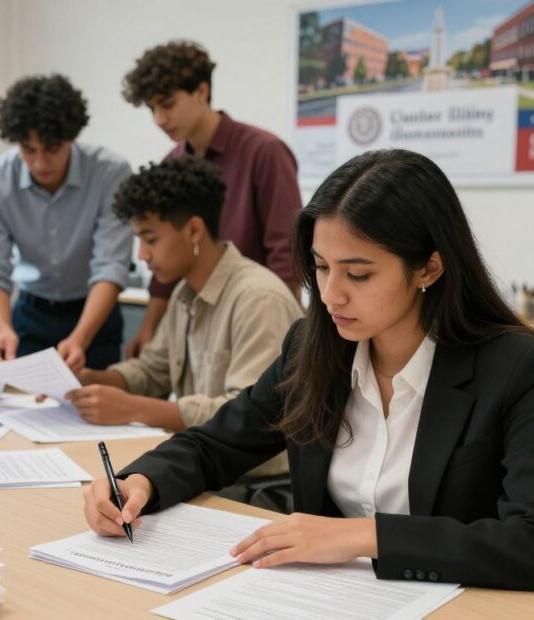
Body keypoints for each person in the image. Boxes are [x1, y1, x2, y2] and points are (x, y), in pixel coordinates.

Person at [83, 149, 534, 590]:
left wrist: (364, 536)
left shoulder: (514, 366)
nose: (331, 294)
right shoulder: (312, 347)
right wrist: (139, 481)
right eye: (320, 267)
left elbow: (525, 540)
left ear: (428, 269)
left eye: (358, 275)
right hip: (326, 597)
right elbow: (216, 444)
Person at [67, 157, 300, 447]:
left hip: (251, 474)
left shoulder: (259, 300)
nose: (141, 255)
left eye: (150, 239)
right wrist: (88, 380)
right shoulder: (182, 293)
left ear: (194, 230)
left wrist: (133, 408)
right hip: (203, 458)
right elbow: (152, 371)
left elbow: (249, 417)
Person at [122, 40, 302, 358]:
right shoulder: (172, 163)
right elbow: (166, 259)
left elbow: (286, 251)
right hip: (200, 323)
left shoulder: (264, 151)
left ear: (201, 91)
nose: (160, 119)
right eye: (152, 109)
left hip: (257, 319)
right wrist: (150, 326)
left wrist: (280, 333)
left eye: (167, 104)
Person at [0, 74, 133, 372]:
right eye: (28, 149)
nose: (40, 162)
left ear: (71, 137)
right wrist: (3, 330)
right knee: (21, 398)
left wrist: (81, 339)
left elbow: (111, 264)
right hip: (32, 313)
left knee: (94, 397)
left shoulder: (110, 173)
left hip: (94, 314)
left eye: (51, 148)